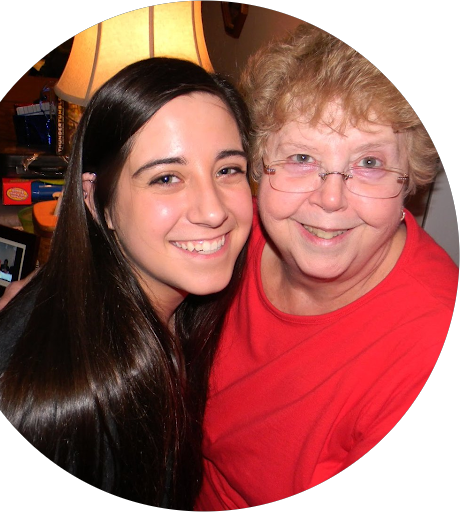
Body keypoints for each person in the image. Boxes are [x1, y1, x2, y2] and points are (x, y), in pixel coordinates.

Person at [0, 57, 253, 510]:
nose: (213, 211)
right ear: (97, 202)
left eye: (228, 169)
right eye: (166, 178)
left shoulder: (167, 303)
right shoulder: (70, 408)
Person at [194, 24, 458, 509]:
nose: (331, 199)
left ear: (410, 180)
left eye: (370, 163)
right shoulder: (233, 235)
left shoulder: (425, 347)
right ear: (258, 168)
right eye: (301, 157)